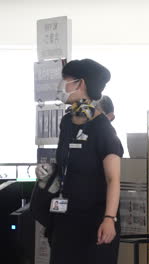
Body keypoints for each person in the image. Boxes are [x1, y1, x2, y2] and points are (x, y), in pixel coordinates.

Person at [44, 59, 123, 264]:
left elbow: (113, 179)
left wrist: (109, 219)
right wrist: (48, 174)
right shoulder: (66, 122)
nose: (62, 86)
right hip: (65, 219)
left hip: (95, 222)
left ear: (81, 84)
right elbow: (67, 164)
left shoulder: (102, 128)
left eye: (66, 81)